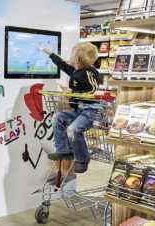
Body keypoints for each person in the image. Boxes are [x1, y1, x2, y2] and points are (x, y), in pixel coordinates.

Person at [43, 42, 99, 173]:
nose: (69, 57)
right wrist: (50, 54)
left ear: (77, 60)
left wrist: (72, 93)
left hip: (89, 111)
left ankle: (83, 159)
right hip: (79, 110)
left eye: (71, 55)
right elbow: (63, 64)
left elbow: (93, 91)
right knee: (58, 118)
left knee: (72, 130)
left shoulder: (90, 73)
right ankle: (64, 151)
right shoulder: (75, 70)